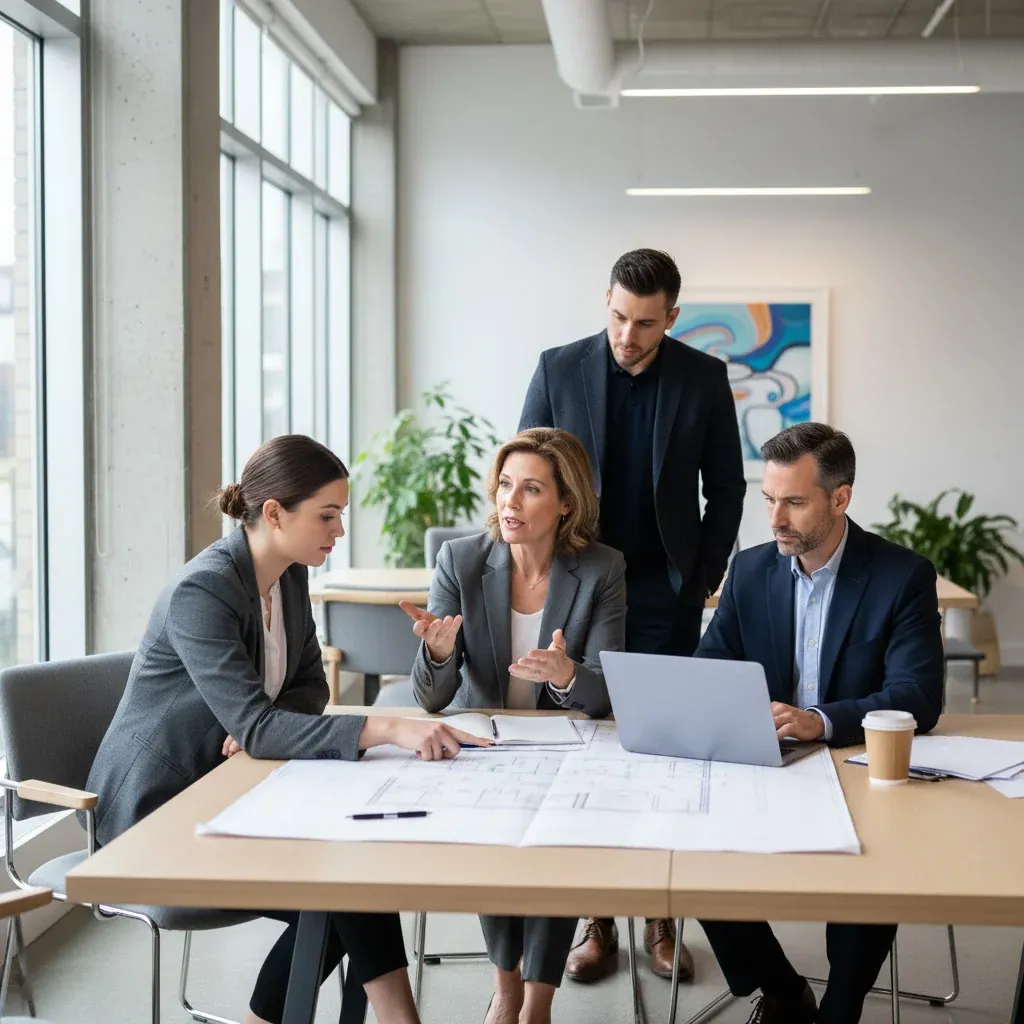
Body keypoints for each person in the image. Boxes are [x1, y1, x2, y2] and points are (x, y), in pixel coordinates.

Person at [86, 435, 483, 1024]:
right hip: (158, 813)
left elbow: (308, 688)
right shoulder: (204, 590)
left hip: (234, 787)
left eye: (340, 515)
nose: (339, 531)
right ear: (273, 513)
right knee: (345, 886)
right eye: (327, 515)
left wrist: (263, 727)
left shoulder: (290, 577)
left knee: (354, 876)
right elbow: (259, 723)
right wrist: (377, 728)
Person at [518, 248, 746, 984]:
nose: (627, 334)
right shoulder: (558, 367)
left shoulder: (703, 378)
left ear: (672, 318)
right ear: (606, 303)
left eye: (646, 323)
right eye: (618, 316)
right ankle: (594, 922)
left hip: (660, 595)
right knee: (586, 749)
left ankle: (659, 915)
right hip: (576, 584)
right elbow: (523, 467)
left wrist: (701, 580)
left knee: (659, 753)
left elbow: (729, 489)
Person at [695, 422, 943, 1024]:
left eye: (794, 502)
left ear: (840, 498)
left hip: (854, 759)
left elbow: (919, 695)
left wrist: (819, 721)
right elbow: (710, 669)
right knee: (698, 851)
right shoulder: (751, 571)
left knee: (873, 857)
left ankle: (842, 1005)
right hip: (768, 758)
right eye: (770, 500)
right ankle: (782, 990)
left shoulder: (901, 575)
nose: (776, 519)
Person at [401, 427, 626, 1024]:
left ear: (566, 504)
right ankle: (506, 988)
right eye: (505, 485)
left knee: (560, 842)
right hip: (486, 749)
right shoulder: (462, 560)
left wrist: (565, 674)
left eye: (530, 489)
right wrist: (442, 653)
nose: (511, 502)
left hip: (570, 750)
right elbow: (430, 699)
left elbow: (604, 694)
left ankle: (538, 1003)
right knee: (495, 834)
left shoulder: (602, 569)